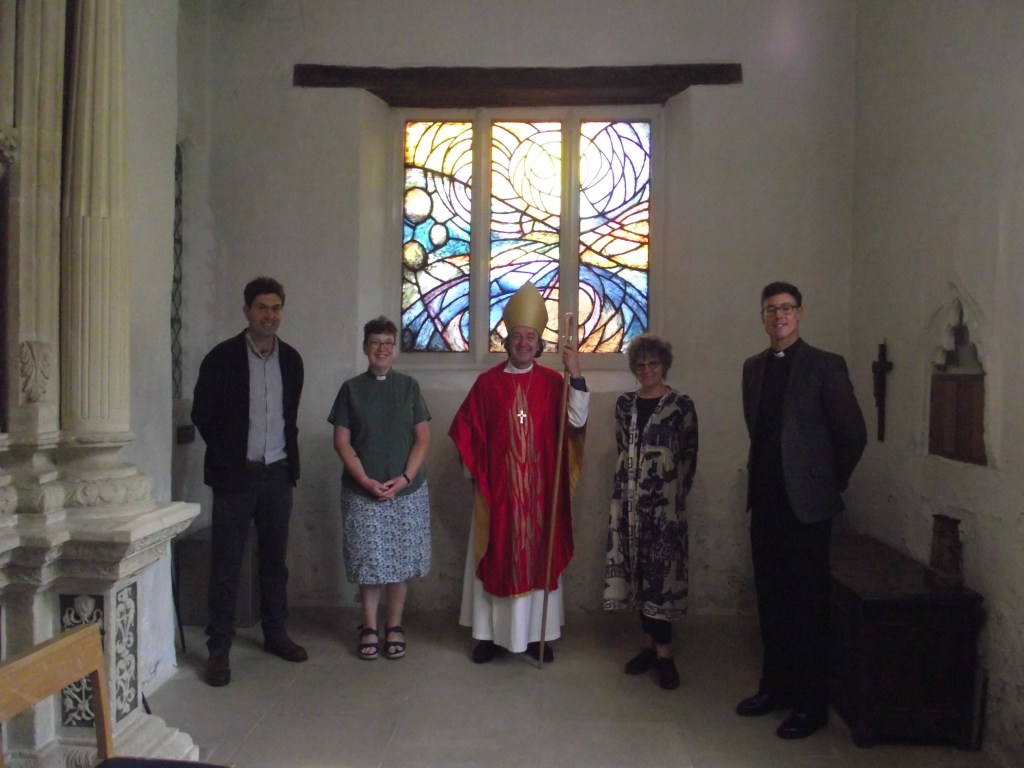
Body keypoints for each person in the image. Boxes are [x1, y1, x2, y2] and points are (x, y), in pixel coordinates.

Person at [736, 281, 867, 739]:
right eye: (770, 309)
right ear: (762, 317)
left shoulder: (825, 365)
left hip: (807, 509)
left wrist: (826, 484)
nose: (779, 316)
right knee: (771, 601)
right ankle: (776, 688)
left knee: (808, 606)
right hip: (766, 502)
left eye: (787, 308)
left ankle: (812, 705)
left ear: (800, 313)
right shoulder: (754, 368)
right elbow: (758, 429)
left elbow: (852, 435)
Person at [449, 282, 588, 664]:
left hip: (540, 495)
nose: (524, 343)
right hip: (498, 493)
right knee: (495, 556)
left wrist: (576, 373)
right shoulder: (487, 384)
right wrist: (476, 476)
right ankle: (488, 637)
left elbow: (576, 420)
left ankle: (535, 636)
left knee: (538, 558)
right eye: (517, 336)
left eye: (530, 337)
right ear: (507, 341)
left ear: (539, 343)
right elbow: (466, 430)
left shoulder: (554, 382)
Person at [192, 276, 308, 687]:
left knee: (275, 562)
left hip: (277, 474)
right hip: (235, 478)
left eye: (275, 308)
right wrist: (229, 456)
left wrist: (286, 465)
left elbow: (289, 417)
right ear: (246, 311)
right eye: (261, 307)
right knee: (227, 564)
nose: (269, 315)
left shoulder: (291, 360)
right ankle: (219, 649)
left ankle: (275, 633)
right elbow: (202, 413)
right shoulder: (221, 358)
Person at [327, 316, 431, 661]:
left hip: (406, 490)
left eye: (388, 343)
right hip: (364, 491)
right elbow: (341, 441)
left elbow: (422, 438)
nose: (382, 349)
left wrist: (405, 478)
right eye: (375, 343)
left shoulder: (409, 387)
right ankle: (369, 626)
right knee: (369, 561)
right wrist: (364, 480)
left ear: (395, 348)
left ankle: (394, 625)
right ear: (365, 348)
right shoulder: (351, 389)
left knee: (399, 561)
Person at [604, 334, 698, 690]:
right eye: (640, 364)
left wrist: (672, 497)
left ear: (664, 365)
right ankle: (647, 646)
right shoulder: (624, 404)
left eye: (653, 364)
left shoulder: (681, 406)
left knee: (662, 576)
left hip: (664, 507)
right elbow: (622, 447)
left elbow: (689, 454)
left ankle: (664, 653)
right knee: (637, 573)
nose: (646, 370)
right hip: (629, 504)